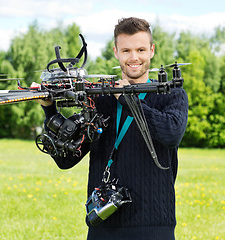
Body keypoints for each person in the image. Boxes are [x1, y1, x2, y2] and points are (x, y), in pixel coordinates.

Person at [34, 17, 188, 240]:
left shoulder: (171, 94)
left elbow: (171, 133)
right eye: (126, 50)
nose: (134, 57)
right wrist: (49, 110)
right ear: (116, 52)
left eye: (141, 49)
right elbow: (66, 159)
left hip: (155, 225)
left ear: (152, 51)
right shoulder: (101, 99)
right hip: (104, 224)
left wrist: (127, 100)